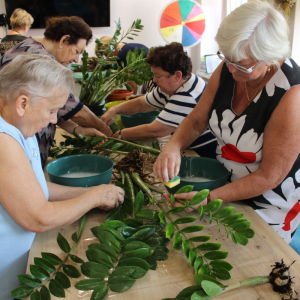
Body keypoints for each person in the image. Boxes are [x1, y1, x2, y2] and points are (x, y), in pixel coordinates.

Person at [153, 1, 300, 252]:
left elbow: (270, 176)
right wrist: (173, 147)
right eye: (226, 58)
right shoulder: (230, 67)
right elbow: (197, 119)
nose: (231, 69)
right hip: (223, 181)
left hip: (267, 200)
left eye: (242, 65)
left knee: (244, 256)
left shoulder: (292, 93)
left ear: (270, 57)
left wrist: (208, 198)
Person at [0, 54, 124, 300]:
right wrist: (93, 196)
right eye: (51, 110)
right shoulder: (3, 139)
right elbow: (38, 217)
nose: (54, 119)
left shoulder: (19, 126)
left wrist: (95, 193)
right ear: (23, 103)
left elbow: (36, 188)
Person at [0, 16, 112, 167]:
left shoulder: (26, 45)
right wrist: (107, 131)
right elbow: (76, 111)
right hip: (19, 156)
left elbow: (51, 109)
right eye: (76, 51)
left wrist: (77, 129)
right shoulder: (40, 60)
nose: (76, 60)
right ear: (64, 40)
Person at [101, 42, 217, 158]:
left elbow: (155, 130)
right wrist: (114, 109)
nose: (154, 80)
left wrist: (120, 135)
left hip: (207, 155)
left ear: (177, 76)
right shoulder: (173, 85)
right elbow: (142, 104)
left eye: (158, 76)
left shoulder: (187, 94)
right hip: (191, 147)